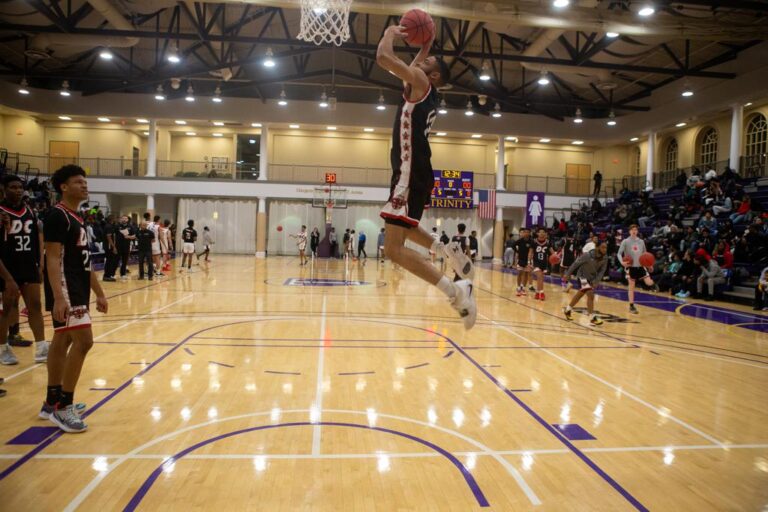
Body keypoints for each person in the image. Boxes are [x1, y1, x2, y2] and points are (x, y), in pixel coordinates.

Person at [375, 23, 476, 329]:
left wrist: (390, 34)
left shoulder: (420, 82)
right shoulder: (427, 90)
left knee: (393, 248)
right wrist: (426, 45)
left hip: (410, 169)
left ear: (432, 77)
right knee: (404, 231)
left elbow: (383, 57)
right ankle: (447, 250)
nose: (419, 62)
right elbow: (417, 65)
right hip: (416, 169)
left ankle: (455, 292)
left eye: (426, 63)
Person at [41, 165, 108, 433]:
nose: (85, 185)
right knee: (84, 342)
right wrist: (58, 296)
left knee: (63, 339)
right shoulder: (57, 216)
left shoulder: (78, 218)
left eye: (85, 181)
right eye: (78, 182)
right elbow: (52, 258)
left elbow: (85, 262)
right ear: (63, 187)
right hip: (66, 288)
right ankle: (63, 407)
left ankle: (51, 400)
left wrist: (99, 292)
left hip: (78, 286)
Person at [0, 175, 48, 366]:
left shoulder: (30, 210)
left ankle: (42, 347)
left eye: (20, 187)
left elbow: (38, 238)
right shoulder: (1, 212)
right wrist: (8, 278)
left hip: (28, 265)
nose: (18, 190)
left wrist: (40, 264)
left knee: (35, 306)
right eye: (13, 187)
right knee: (7, 310)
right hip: (7, 268)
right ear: (4, 189)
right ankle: (3, 348)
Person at [562, 241, 608, 326]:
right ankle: (592, 317)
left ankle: (568, 309)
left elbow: (602, 271)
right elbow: (575, 264)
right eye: (603, 247)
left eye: (606, 248)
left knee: (580, 294)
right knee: (591, 295)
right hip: (582, 276)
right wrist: (567, 274)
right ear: (597, 247)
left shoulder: (605, 258)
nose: (605, 249)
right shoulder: (587, 255)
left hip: (591, 278)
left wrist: (596, 281)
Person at [617, 224, 657, 314]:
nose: (634, 231)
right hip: (631, 267)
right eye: (632, 230)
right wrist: (622, 262)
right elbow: (619, 254)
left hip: (641, 266)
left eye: (635, 229)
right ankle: (631, 306)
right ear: (629, 231)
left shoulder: (641, 241)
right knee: (631, 287)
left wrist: (649, 265)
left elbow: (645, 255)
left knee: (649, 282)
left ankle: (654, 285)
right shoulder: (625, 241)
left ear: (637, 231)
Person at [531, 228, 553, 301]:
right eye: (540, 232)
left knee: (541, 278)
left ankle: (537, 292)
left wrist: (556, 256)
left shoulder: (548, 242)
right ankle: (542, 293)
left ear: (545, 233)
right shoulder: (534, 242)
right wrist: (529, 262)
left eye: (543, 232)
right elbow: (530, 252)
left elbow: (552, 252)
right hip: (536, 262)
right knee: (540, 276)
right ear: (537, 233)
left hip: (544, 263)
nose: (542, 233)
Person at [514, 228, 534, 297]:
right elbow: (513, 245)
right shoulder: (519, 241)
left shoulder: (531, 241)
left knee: (526, 274)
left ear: (529, 233)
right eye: (525, 232)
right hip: (521, 260)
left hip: (527, 260)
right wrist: (517, 251)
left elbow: (531, 251)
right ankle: (518, 287)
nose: (526, 233)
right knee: (519, 273)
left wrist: (529, 260)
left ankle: (523, 288)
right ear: (523, 233)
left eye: (528, 232)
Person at [115, 215, 135, 280]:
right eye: (123, 218)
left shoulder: (130, 227)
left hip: (126, 246)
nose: (124, 219)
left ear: (127, 220)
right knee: (116, 260)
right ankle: (112, 273)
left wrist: (129, 237)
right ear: (121, 219)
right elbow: (113, 235)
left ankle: (123, 274)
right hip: (118, 246)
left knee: (124, 260)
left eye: (125, 218)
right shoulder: (117, 226)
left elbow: (134, 235)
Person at [102, 214, 118, 282]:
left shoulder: (111, 226)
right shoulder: (108, 226)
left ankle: (108, 275)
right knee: (109, 261)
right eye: (115, 218)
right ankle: (106, 276)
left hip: (110, 246)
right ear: (112, 219)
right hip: (109, 247)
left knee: (110, 261)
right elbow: (109, 238)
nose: (116, 219)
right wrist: (113, 247)